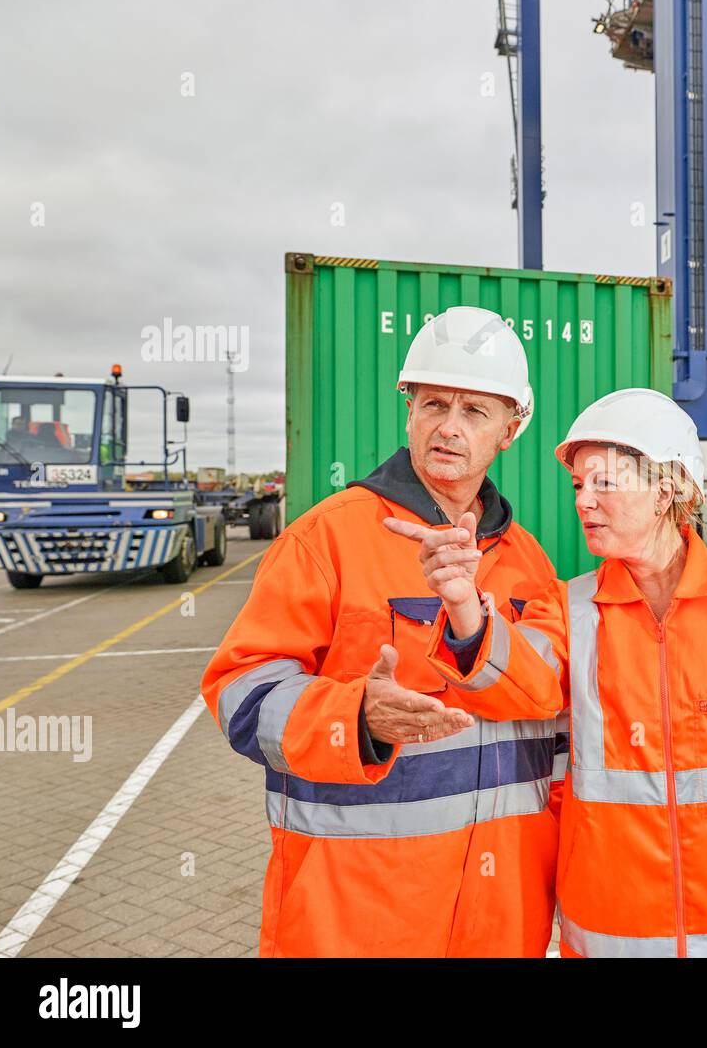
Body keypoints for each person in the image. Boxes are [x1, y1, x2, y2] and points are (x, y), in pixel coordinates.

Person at [411, 387, 707, 958]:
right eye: (579, 486)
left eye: (605, 483)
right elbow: (517, 684)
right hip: (617, 934)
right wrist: (465, 606)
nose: (584, 501)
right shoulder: (569, 608)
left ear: (669, 489)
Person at [199, 306, 566, 957]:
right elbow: (239, 693)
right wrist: (355, 716)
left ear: (511, 429)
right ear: (408, 411)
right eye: (432, 404)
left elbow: (546, 700)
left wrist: (472, 623)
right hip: (355, 920)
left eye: (474, 412)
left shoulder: (529, 563)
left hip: (502, 922)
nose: (448, 428)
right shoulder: (328, 537)